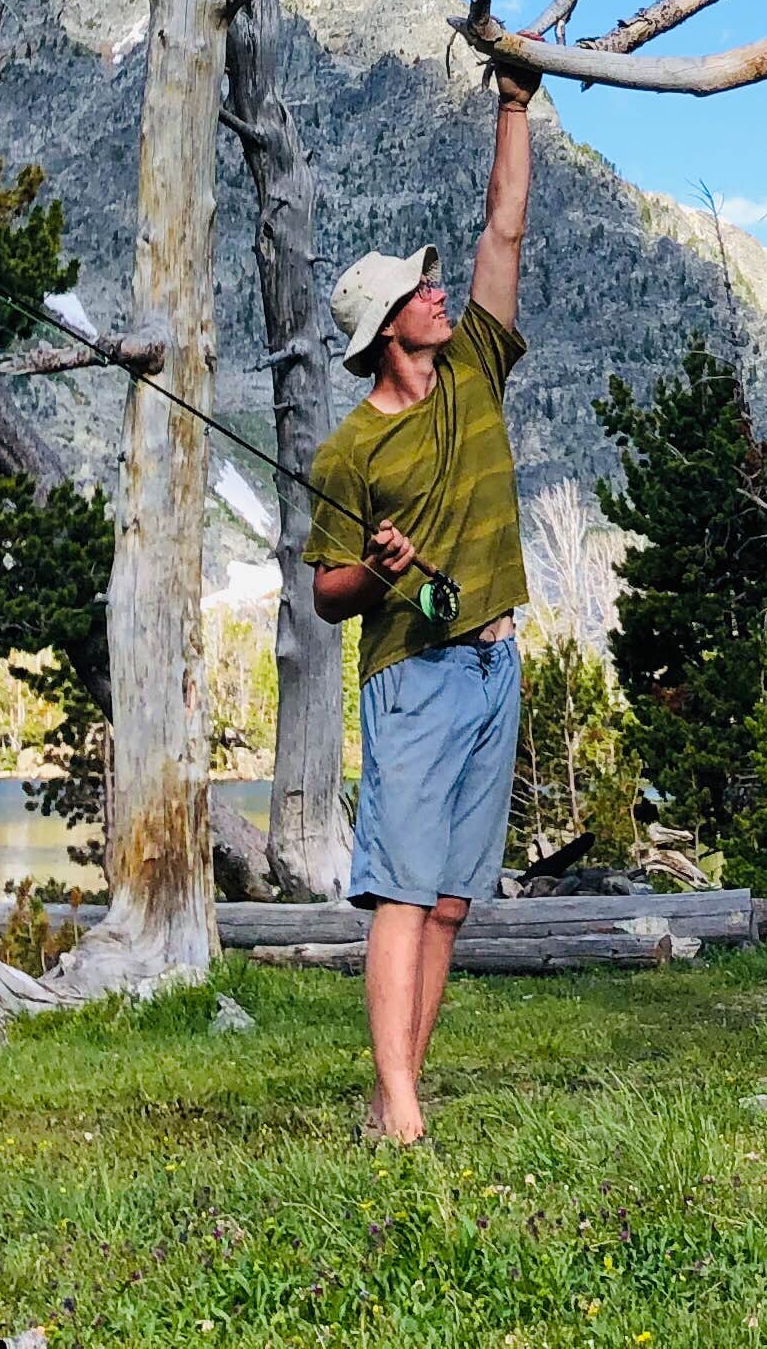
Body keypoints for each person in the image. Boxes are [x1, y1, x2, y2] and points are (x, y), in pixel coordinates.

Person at [307, 57, 539, 1145]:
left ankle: (393, 1092)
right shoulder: (350, 453)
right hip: (414, 679)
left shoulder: (479, 363)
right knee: (400, 891)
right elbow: (325, 595)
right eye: (421, 290)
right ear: (388, 329)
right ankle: (401, 1107)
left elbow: (504, 232)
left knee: (449, 899)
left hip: (496, 662)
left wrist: (515, 104)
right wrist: (379, 574)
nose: (441, 290)